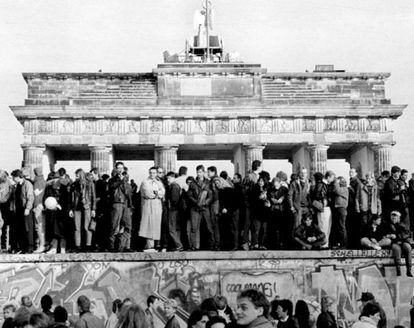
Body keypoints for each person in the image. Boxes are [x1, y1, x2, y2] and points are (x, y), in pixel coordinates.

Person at [43, 171, 71, 254]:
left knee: (62, 231)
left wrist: (61, 206)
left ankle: (63, 248)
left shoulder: (64, 188)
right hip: (52, 212)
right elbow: (46, 198)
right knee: (53, 230)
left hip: (62, 212)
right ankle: (54, 248)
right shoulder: (49, 188)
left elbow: (67, 200)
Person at [69, 169, 96, 252]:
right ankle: (78, 246)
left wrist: (93, 209)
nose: (76, 177)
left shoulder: (90, 183)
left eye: (77, 175)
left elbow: (93, 197)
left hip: (87, 206)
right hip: (76, 207)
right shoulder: (74, 185)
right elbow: (71, 198)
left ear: (81, 175)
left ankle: (88, 245)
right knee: (77, 228)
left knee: (87, 227)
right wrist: (71, 209)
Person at [139, 167, 166, 252]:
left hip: (157, 205)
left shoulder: (159, 183)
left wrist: (158, 193)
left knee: (156, 224)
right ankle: (149, 245)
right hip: (148, 204)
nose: (152, 174)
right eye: (151, 172)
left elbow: (163, 192)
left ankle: (155, 244)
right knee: (148, 224)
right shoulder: (145, 182)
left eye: (154, 173)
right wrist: (157, 194)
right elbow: (147, 193)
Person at [187, 165, 213, 251]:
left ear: (203, 172)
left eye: (200, 172)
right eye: (197, 172)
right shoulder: (192, 183)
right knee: (194, 228)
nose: (198, 174)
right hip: (195, 208)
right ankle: (194, 246)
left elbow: (210, 196)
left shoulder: (208, 182)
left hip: (205, 207)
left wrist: (205, 203)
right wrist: (196, 203)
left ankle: (211, 245)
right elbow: (189, 195)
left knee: (209, 227)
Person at [11, 169, 35, 253]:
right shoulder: (17, 185)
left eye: (13, 177)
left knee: (27, 228)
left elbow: (30, 197)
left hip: (25, 209)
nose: (13, 178)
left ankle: (29, 247)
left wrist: (28, 208)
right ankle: (22, 247)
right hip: (18, 210)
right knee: (20, 229)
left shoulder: (27, 184)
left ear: (18, 177)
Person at [107, 162, 129, 252]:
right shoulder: (112, 180)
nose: (120, 170)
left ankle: (124, 246)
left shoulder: (126, 179)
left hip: (125, 204)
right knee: (114, 225)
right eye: (118, 168)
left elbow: (128, 193)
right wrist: (120, 180)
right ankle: (112, 246)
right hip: (117, 203)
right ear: (115, 169)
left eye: (122, 168)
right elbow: (112, 187)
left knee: (126, 225)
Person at [241, 160, 263, 251]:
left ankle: (255, 242)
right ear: (258, 167)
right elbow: (244, 191)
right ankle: (245, 242)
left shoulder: (259, 177)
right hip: (249, 204)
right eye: (261, 166)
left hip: (256, 205)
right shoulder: (249, 177)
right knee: (247, 224)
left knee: (255, 224)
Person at [386, 210, 412, 277]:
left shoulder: (402, 225)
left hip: (403, 241)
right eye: (392, 217)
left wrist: (397, 236)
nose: (393, 219)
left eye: (395, 217)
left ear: (398, 218)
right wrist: (389, 236)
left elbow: (406, 234)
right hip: (394, 242)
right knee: (396, 249)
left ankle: (409, 270)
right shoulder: (387, 225)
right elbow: (384, 234)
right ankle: (398, 270)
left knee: (408, 248)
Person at [268, 172, 289, 249]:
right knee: (274, 228)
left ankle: (282, 243)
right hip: (274, 211)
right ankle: (275, 244)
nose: (275, 185)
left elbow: (286, 197)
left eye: (277, 183)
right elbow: (272, 198)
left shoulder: (284, 189)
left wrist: (282, 198)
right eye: (274, 183)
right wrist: (273, 199)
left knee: (282, 228)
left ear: (280, 183)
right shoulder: (272, 190)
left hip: (282, 211)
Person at [214, 175, 235, 250]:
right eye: (216, 184)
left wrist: (227, 208)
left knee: (228, 229)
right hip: (222, 212)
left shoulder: (229, 190)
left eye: (218, 183)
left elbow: (232, 202)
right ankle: (224, 245)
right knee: (223, 229)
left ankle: (230, 245)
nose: (217, 185)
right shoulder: (220, 191)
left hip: (228, 212)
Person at [310, 172, 331, 249]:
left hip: (321, 207)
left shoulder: (318, 185)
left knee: (322, 226)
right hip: (325, 207)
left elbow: (318, 195)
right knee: (326, 226)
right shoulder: (324, 185)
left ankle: (323, 244)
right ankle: (325, 244)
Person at [250, 176, 271, 250]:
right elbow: (252, 201)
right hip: (257, 212)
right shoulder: (254, 190)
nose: (260, 182)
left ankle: (262, 244)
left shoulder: (267, 190)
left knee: (264, 229)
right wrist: (259, 197)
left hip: (265, 212)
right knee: (256, 229)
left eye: (262, 181)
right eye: (259, 181)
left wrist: (269, 204)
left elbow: (270, 199)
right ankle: (255, 243)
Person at [165, 172, 184, 252]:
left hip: (173, 210)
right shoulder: (177, 185)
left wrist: (169, 204)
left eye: (169, 178)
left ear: (173, 178)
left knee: (171, 229)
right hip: (177, 210)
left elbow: (174, 199)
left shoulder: (173, 186)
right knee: (176, 229)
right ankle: (179, 245)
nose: (167, 180)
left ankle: (179, 245)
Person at [330, 177, 348, 249]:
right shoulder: (342, 189)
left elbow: (337, 190)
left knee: (341, 227)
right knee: (338, 227)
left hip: (342, 209)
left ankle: (344, 244)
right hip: (338, 209)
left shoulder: (344, 189)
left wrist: (336, 182)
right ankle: (339, 243)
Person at [347, 168, 362, 249]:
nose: (350, 173)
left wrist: (350, 189)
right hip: (351, 206)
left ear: (356, 173)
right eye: (350, 172)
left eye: (352, 172)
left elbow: (357, 195)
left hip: (354, 207)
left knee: (354, 226)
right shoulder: (352, 180)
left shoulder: (357, 182)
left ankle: (354, 244)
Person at [33, 167, 46, 253]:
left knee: (39, 227)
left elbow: (36, 196)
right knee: (43, 226)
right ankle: (43, 244)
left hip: (38, 206)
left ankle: (41, 245)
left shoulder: (37, 182)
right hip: (43, 205)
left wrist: (35, 207)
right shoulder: (44, 182)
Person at [207, 166, 221, 251]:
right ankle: (216, 244)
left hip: (215, 204)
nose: (207, 173)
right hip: (215, 203)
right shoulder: (215, 179)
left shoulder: (215, 180)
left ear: (213, 172)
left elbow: (217, 192)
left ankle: (216, 244)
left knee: (215, 225)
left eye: (208, 172)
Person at [0, 170, 13, 252]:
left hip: (7, 205)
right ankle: (2, 244)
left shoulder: (9, 183)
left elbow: (11, 193)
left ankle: (7, 244)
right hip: (0, 204)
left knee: (6, 225)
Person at [231, 173, 245, 251]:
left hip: (236, 211)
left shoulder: (237, 188)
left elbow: (237, 201)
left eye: (235, 178)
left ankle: (236, 245)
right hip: (239, 210)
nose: (233, 179)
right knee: (238, 228)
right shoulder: (240, 187)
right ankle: (239, 244)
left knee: (236, 228)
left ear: (239, 179)